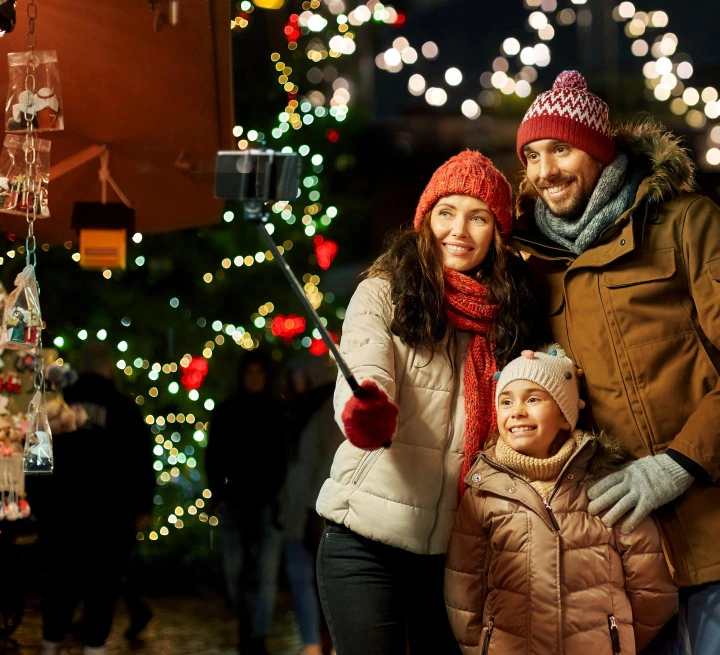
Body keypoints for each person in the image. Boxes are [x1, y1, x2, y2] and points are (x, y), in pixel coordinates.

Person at [513, 70, 720, 654]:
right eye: (533, 155)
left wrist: (678, 465)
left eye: (561, 149)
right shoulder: (533, 264)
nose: (546, 171)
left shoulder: (684, 222)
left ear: (598, 150)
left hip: (718, 511)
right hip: (619, 538)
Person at [315, 150, 545, 655]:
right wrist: (367, 409)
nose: (459, 230)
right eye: (446, 212)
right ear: (425, 220)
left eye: (478, 217)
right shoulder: (383, 292)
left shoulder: (511, 315)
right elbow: (365, 362)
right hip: (365, 541)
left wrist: (542, 378)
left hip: (456, 554)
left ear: (498, 233)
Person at [444, 345, 677, 654]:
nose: (517, 411)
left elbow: (652, 589)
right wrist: (483, 646)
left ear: (566, 416)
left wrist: (617, 642)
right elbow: (463, 587)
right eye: (506, 401)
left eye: (533, 399)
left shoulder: (604, 481)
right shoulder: (484, 489)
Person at [37, 342, 153, 655]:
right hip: (110, 515)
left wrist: (39, 501)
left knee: (61, 583)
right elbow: (141, 458)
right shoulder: (123, 408)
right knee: (102, 587)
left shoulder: (57, 403)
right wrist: (142, 503)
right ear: (109, 367)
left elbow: (37, 454)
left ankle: (50, 643)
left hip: (61, 512)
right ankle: (94, 646)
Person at [206, 350, 287, 655]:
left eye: (259, 373)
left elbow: (282, 459)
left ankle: (258, 636)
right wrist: (219, 492)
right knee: (235, 571)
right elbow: (213, 455)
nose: (254, 379)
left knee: (265, 575)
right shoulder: (228, 411)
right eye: (249, 373)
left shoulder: (277, 412)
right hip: (235, 502)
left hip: (267, 503)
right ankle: (247, 626)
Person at [282, 356, 342, 655]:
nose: (296, 382)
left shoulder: (328, 407)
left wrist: (313, 509)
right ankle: (312, 643)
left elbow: (327, 461)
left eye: (300, 375)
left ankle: (324, 642)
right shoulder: (298, 410)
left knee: (321, 580)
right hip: (296, 507)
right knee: (300, 577)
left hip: (316, 509)